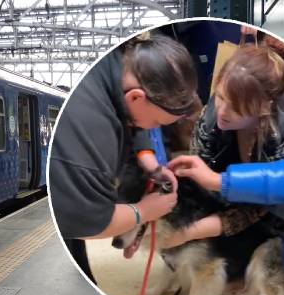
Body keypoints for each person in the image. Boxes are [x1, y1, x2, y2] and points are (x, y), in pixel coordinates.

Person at [169, 56, 284, 277]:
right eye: (220, 98)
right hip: (240, 202)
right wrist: (217, 181)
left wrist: (191, 231)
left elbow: (268, 205)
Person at [49, 32, 199, 281]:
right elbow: (88, 221)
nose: (152, 128)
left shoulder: (122, 63)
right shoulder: (92, 131)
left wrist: (150, 162)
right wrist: (143, 212)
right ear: (137, 97)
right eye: (156, 122)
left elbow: (136, 116)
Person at [161, 45, 284, 249]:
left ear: (264, 106)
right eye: (221, 97)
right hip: (234, 195)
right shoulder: (211, 116)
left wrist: (188, 232)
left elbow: (261, 206)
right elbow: (202, 188)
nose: (222, 111)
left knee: (283, 252)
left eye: (236, 105)